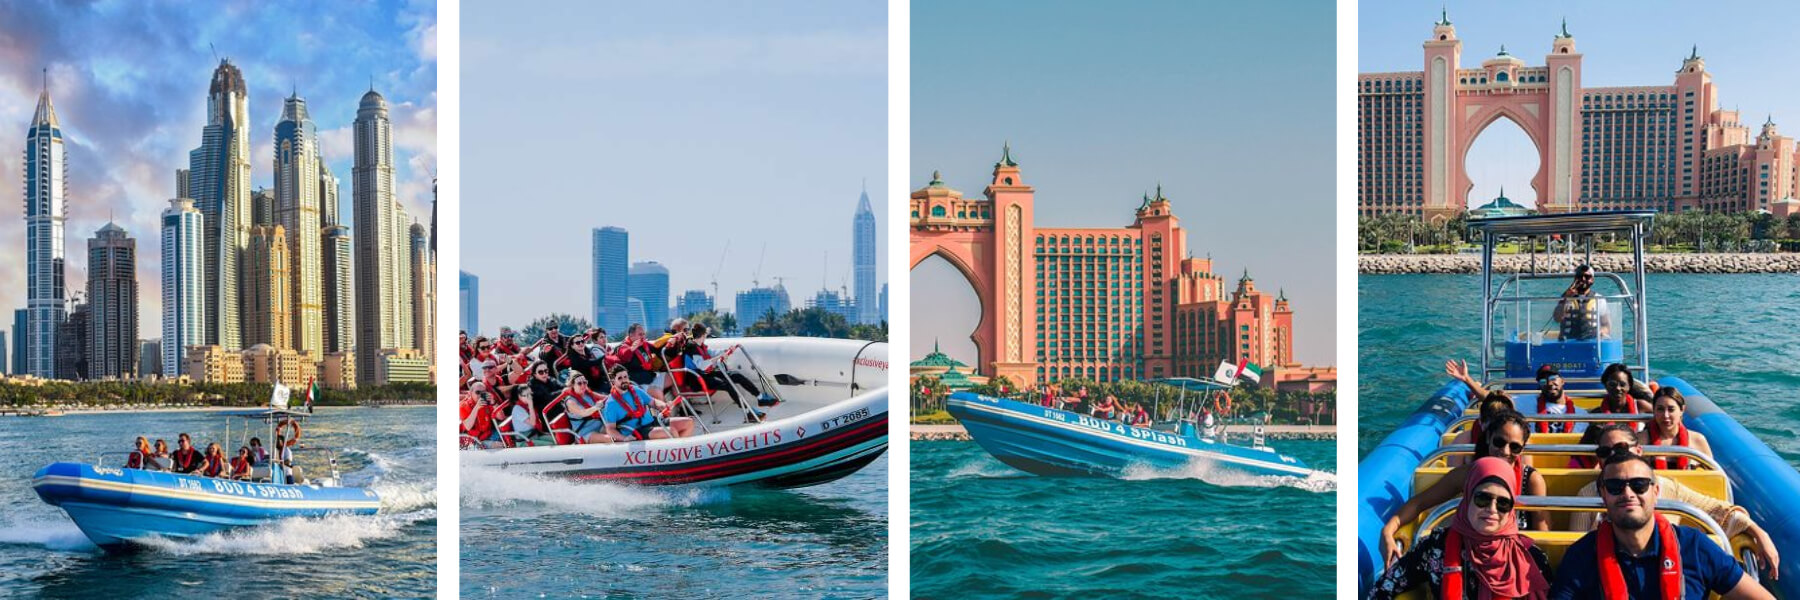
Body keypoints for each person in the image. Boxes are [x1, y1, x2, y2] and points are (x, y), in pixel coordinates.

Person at [1549, 453, 1775, 599]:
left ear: (1655, 492)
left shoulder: (1694, 547)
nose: (1628, 494)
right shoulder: (1581, 557)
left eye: (1639, 485)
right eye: (1615, 486)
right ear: (1603, 495)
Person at [1566, 425, 1780, 575]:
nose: (1614, 455)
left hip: (1666, 568)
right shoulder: (1587, 494)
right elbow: (1578, 550)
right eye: (1606, 451)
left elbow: (1718, 511)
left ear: (1638, 451)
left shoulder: (1668, 489)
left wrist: (1759, 532)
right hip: (1606, 573)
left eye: (1621, 448)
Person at [1382, 411, 1552, 568]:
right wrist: (1388, 530)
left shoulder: (1531, 480)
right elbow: (1419, 503)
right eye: (1499, 442)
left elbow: (1542, 534)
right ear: (1488, 439)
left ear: (1522, 449)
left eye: (1514, 447)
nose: (1505, 451)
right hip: (1469, 555)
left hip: (1512, 560)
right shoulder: (1466, 475)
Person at [1369, 456, 1553, 600]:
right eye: (1483, 499)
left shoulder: (1530, 560)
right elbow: (1385, 588)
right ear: (1467, 499)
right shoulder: (1435, 548)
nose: (1492, 509)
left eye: (1503, 503)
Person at [603, 366, 694, 440]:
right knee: (671, 431)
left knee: (689, 422)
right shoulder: (611, 404)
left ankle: (679, 453)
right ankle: (679, 454)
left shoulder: (635, 390)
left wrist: (663, 405)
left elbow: (653, 402)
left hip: (653, 422)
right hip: (638, 431)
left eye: (625, 377)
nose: (624, 380)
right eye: (620, 378)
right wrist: (624, 438)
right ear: (613, 381)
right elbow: (610, 429)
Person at [1644, 387, 1711, 470]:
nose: (1666, 415)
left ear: (1682, 410)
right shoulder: (1641, 440)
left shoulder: (1698, 441)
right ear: (1654, 410)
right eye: (1660, 409)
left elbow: (1712, 476)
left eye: (1671, 409)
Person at [1553, 264, 1612, 341]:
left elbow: (1606, 325)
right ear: (1575, 278)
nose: (1583, 279)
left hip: (1591, 343)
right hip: (1568, 342)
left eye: (1587, 277)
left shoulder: (1599, 299)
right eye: (1580, 276)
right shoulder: (1565, 297)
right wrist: (1566, 298)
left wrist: (1601, 332)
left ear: (1592, 280)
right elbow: (1557, 318)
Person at [557, 374, 615, 444]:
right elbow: (583, 412)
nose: (583, 385)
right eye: (579, 383)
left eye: (585, 382)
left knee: (621, 431)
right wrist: (596, 407)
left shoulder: (587, 393)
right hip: (585, 433)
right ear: (572, 385)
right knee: (611, 439)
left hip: (599, 425)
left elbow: (605, 397)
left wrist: (616, 394)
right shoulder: (570, 402)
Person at [1532, 364, 1579, 434]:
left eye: (1553, 378)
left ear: (1562, 381)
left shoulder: (1580, 413)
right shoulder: (1529, 403)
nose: (1549, 383)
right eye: (1543, 381)